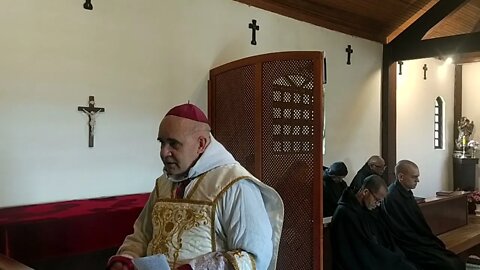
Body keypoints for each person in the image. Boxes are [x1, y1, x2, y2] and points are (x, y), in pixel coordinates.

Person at [106, 103, 284, 270]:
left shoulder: (234, 185)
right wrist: (126, 259)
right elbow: (142, 235)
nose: (164, 152)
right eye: (162, 142)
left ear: (201, 144)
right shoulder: (164, 183)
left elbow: (254, 257)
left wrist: (195, 267)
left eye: (173, 144)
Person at [383, 160, 464, 270]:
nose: (418, 180)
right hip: (408, 245)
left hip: (418, 240)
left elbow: (417, 222)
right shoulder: (392, 197)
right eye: (414, 177)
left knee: (454, 260)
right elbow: (400, 230)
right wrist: (423, 241)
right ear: (401, 177)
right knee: (449, 264)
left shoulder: (406, 191)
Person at [330, 175, 417, 270]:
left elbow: (381, 237)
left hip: (373, 255)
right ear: (365, 192)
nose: (378, 204)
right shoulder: (345, 213)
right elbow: (358, 250)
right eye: (377, 200)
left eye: (380, 202)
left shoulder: (367, 209)